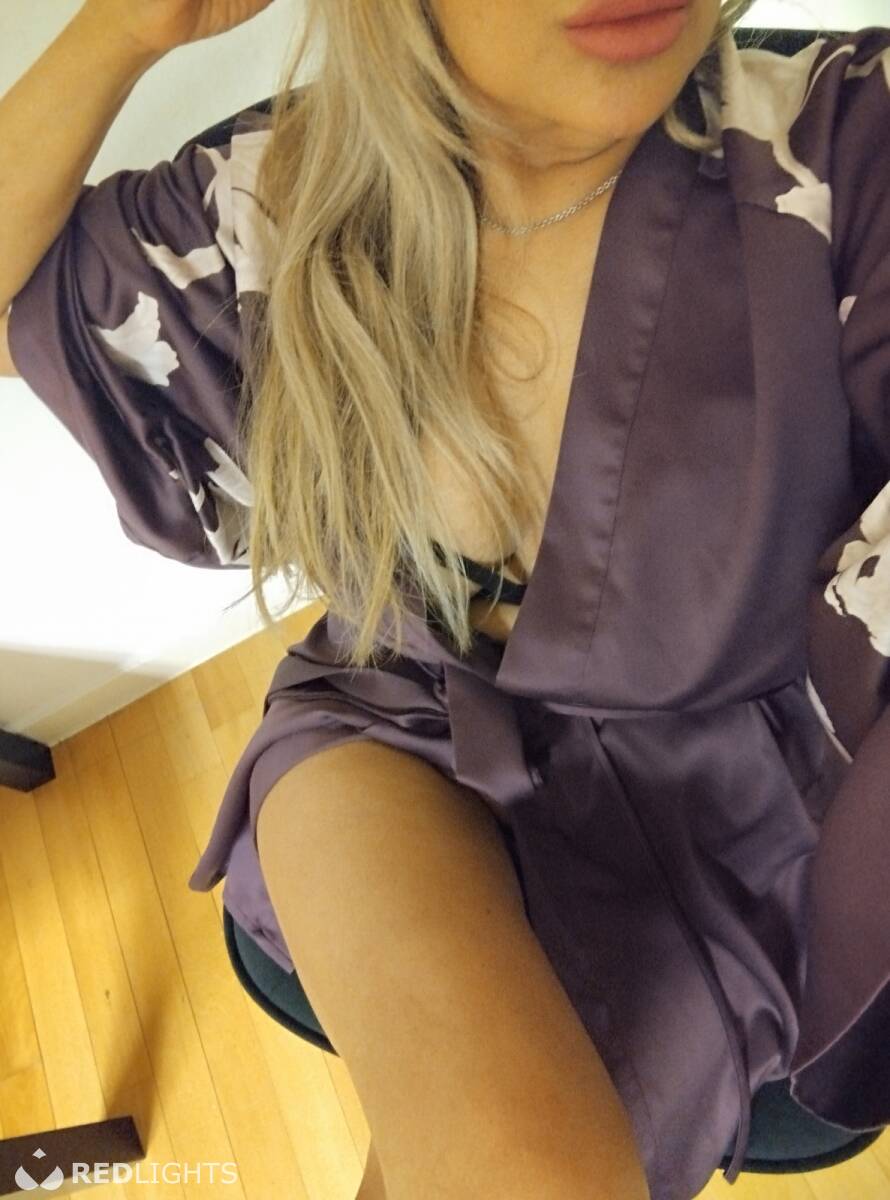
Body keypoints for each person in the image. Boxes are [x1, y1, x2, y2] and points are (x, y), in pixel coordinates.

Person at [2, 2, 889, 1198]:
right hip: (402, 723)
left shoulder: (840, 154)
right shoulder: (280, 203)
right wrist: (123, 28)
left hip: (768, 801)